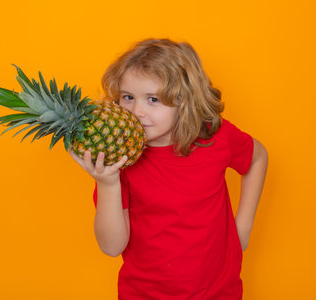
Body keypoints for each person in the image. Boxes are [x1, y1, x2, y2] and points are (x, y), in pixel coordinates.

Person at [69, 38, 268, 300]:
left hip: (219, 291)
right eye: (128, 97)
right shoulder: (120, 159)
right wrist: (108, 183)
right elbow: (111, 246)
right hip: (145, 294)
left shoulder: (215, 137)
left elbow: (257, 157)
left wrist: (243, 226)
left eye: (153, 99)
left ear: (185, 101)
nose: (137, 111)